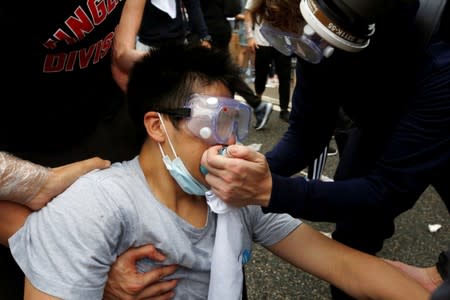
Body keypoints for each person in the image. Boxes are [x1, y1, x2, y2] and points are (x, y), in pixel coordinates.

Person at [4, 44, 430, 300]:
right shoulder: (96, 207)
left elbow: (348, 269)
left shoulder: (234, 199)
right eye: (215, 122)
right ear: (157, 125)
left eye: (238, 123)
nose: (230, 144)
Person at [199, 0, 450, 299]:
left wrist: (270, 190)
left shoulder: (440, 63)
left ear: (342, 30)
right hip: (378, 122)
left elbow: (388, 190)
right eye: (285, 43)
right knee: (352, 234)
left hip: (437, 118)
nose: (300, 55)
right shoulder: (313, 41)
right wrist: (254, 168)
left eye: (307, 44)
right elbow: (306, 135)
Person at [244, 0, 292, 122]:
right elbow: (248, 12)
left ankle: (284, 109)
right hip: (263, 41)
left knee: (285, 76)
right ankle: (258, 102)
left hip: (283, 42)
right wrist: (250, 37)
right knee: (261, 74)